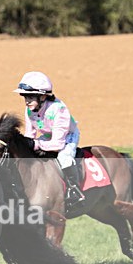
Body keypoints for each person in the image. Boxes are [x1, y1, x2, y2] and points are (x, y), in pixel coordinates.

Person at [14, 71, 85, 208]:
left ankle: (74, 190)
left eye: (30, 97)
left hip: (67, 137)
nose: (27, 100)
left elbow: (57, 144)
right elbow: (30, 134)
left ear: (43, 96)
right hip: (48, 136)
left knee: (64, 159)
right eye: (25, 96)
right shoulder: (29, 110)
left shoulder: (59, 110)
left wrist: (36, 144)